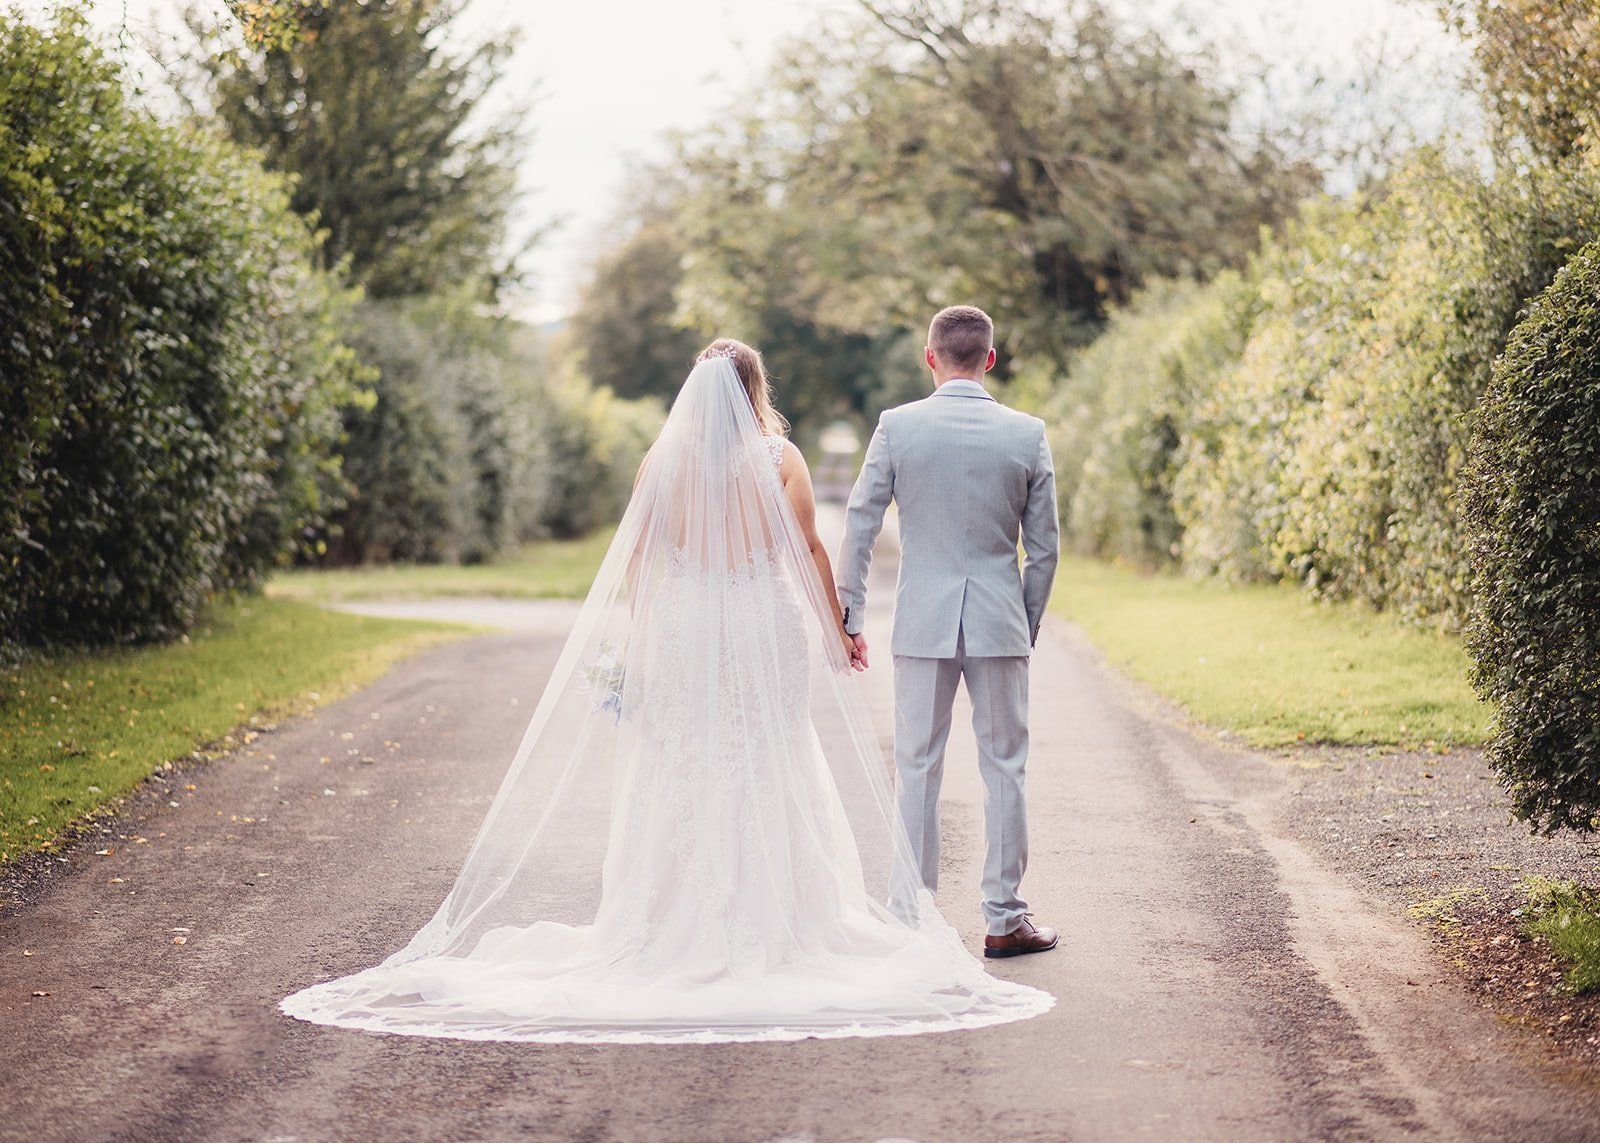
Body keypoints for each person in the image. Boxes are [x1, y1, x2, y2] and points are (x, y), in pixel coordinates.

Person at [280, 338, 1052, 1043]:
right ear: (753, 390)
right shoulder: (777, 456)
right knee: (766, 755)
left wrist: (641, 645)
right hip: (758, 621)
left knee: (679, 759)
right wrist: (836, 630)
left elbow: (640, 561)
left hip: (684, 625)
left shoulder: (660, 463)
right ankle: (780, 922)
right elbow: (809, 547)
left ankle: (663, 920)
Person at [837, 306, 1062, 958]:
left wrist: (849, 616)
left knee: (917, 769)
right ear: (990, 359)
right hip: (998, 620)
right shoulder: (1027, 433)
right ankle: (1004, 917)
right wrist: (1025, 620)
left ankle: (910, 917)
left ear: (930, 357)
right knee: (1005, 771)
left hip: (922, 623)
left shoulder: (898, 427)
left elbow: (859, 521)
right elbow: (1043, 549)